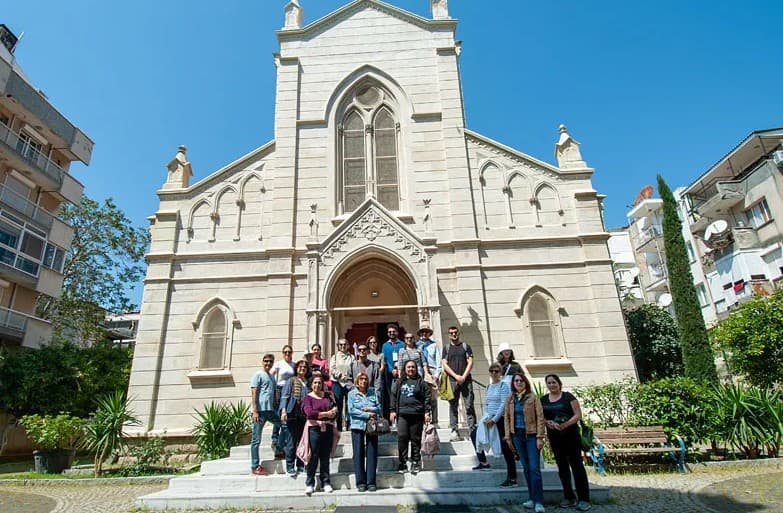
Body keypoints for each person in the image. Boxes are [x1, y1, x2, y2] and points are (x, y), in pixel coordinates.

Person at [541, 374, 591, 511]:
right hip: (555, 437)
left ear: (559, 383)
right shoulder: (544, 400)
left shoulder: (568, 397)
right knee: (562, 468)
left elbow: (577, 414)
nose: (552, 385)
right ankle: (569, 496)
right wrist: (548, 422)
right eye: (549, 383)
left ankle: (584, 499)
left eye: (554, 382)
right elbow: (541, 416)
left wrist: (566, 424)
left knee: (577, 467)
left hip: (571, 436)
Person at [504, 373, 546, 513]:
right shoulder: (510, 398)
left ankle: (539, 501)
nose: (519, 383)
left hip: (532, 436)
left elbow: (540, 417)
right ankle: (532, 498)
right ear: (513, 383)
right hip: (517, 436)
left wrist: (540, 437)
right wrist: (508, 437)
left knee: (534, 468)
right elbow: (507, 418)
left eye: (521, 380)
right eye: (516, 381)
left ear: (525, 382)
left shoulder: (533, 397)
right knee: (526, 468)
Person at [472, 363, 517, 489]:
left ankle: (512, 478)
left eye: (496, 371)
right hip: (489, 417)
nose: (494, 373)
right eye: (491, 371)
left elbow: (504, 404)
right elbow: (486, 404)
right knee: (474, 434)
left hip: (500, 420)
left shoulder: (503, 386)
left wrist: (495, 419)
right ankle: (483, 462)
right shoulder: (488, 387)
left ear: (500, 372)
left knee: (506, 448)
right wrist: (486, 417)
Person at [390, 359, 432, 475]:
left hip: (417, 415)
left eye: (413, 367)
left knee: (415, 439)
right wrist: (392, 411)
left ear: (416, 368)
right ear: (405, 369)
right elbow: (393, 396)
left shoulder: (421, 382)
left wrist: (427, 412)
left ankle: (415, 461)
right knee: (402, 437)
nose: (411, 369)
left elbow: (427, 398)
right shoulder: (399, 382)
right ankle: (402, 462)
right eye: (408, 367)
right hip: (402, 415)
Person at [301, 375, 338, 496]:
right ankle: (310, 483)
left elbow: (334, 409)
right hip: (314, 429)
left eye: (319, 383)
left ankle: (325, 482)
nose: (317, 385)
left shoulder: (327, 396)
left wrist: (333, 412)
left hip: (327, 428)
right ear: (311, 385)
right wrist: (326, 413)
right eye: (315, 383)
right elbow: (310, 413)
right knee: (314, 456)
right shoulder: (308, 398)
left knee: (325, 456)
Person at [347, 372, 381, 492]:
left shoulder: (373, 392)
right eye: (361, 379)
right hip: (357, 426)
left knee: (372, 453)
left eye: (365, 379)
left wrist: (369, 409)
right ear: (357, 381)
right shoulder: (351, 394)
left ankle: (371, 481)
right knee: (358, 453)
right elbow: (351, 410)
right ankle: (360, 482)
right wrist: (366, 414)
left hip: (371, 426)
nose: (364, 381)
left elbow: (379, 408)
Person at [441, 326, 476, 442]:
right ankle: (454, 430)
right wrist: (456, 376)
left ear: (458, 333)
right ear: (449, 335)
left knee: (469, 405)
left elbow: (470, 362)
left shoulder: (466, 347)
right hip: (452, 381)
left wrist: (463, 376)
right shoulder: (446, 348)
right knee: (453, 407)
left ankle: (473, 430)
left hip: (466, 381)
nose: (454, 335)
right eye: (451, 333)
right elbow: (444, 364)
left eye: (455, 332)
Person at [250, 354, 280, 475]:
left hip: (270, 411)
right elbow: (254, 392)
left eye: (270, 361)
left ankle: (278, 449)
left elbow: (273, 394)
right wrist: (255, 410)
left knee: (283, 425)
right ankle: (255, 466)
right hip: (260, 412)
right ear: (262, 362)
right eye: (266, 361)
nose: (268, 363)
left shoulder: (272, 377)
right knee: (256, 440)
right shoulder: (258, 375)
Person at [279, 359, 309, 476]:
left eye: (305, 367)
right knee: (291, 441)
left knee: (302, 442)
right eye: (300, 367)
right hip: (292, 414)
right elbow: (284, 396)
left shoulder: (307, 382)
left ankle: (301, 465)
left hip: (304, 416)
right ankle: (290, 466)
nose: (302, 369)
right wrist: (283, 411)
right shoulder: (291, 381)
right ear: (297, 368)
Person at [271, 345, 296, 458]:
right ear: (282, 353)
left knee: (285, 415)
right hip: (279, 390)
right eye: (285, 352)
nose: (287, 354)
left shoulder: (294, 365)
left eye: (289, 352)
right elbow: (271, 375)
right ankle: (275, 439)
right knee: (278, 414)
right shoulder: (279, 364)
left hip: (290, 391)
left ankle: (282, 442)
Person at [417, 327, 442, 426]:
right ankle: (422, 419)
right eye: (422, 332)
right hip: (420, 371)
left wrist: (436, 375)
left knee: (432, 397)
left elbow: (438, 360)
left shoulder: (434, 345)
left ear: (429, 334)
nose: (424, 334)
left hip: (431, 371)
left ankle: (434, 420)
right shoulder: (416, 345)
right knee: (420, 396)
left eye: (426, 332)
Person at [329, 339, 355, 431]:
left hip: (349, 383)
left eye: (345, 344)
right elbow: (332, 369)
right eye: (341, 345)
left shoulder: (352, 357)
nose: (343, 346)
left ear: (348, 345)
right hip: (337, 383)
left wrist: (347, 376)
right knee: (338, 404)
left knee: (350, 404)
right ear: (338, 346)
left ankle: (349, 424)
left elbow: (354, 369)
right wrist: (340, 375)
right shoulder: (334, 357)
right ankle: (339, 425)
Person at [380, 324, 404, 420]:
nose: (392, 333)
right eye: (390, 332)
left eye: (393, 331)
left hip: (401, 373)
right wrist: (391, 370)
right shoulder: (385, 345)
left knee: (401, 394)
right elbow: (384, 360)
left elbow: (404, 358)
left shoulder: (402, 344)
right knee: (391, 395)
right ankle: (392, 417)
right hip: (390, 375)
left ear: (397, 332)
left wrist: (399, 370)